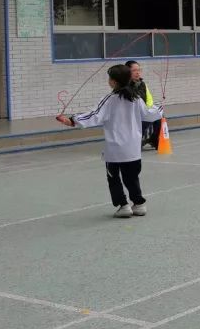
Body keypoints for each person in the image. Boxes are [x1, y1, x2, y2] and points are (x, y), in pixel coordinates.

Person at [56, 64, 164, 218]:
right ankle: (139, 204)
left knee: (114, 179)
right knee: (132, 178)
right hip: (133, 150)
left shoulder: (109, 100)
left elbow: (94, 116)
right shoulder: (136, 98)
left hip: (115, 150)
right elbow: (149, 114)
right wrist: (160, 108)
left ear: (113, 82)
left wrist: (71, 121)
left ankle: (123, 206)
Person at [126, 60, 159, 150]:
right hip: (132, 115)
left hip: (143, 112)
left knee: (159, 115)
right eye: (134, 70)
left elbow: (149, 99)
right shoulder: (125, 86)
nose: (137, 72)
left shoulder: (143, 84)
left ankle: (154, 140)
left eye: (139, 70)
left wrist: (148, 110)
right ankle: (136, 141)